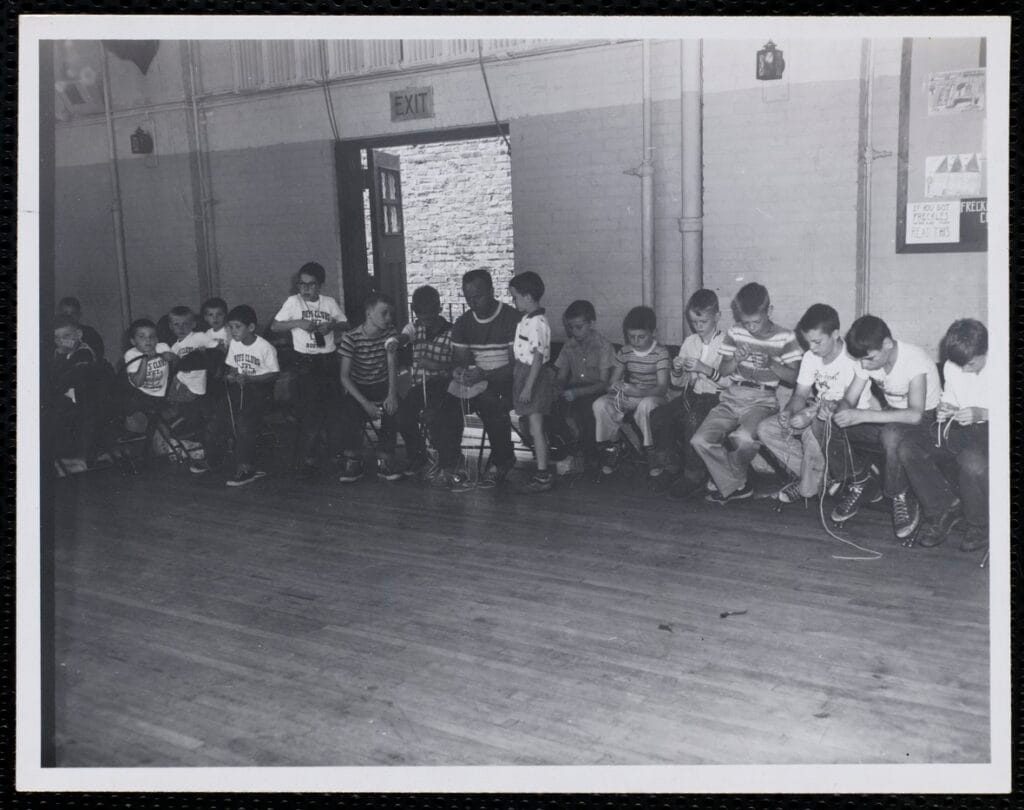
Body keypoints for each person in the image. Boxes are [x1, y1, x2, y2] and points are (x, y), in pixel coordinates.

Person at [827, 314, 941, 541]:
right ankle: (861, 482)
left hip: (926, 423)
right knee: (835, 425)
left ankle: (900, 495)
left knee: (891, 434)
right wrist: (840, 410)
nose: (864, 365)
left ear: (887, 344)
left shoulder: (915, 359)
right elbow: (849, 398)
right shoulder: (867, 359)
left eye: (869, 359)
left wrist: (862, 415)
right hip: (892, 419)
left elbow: (916, 414)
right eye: (861, 360)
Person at [690, 282, 801, 504]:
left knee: (743, 438)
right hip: (732, 396)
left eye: (756, 322)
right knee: (700, 440)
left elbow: (795, 378)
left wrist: (772, 364)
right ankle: (738, 483)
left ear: (769, 311)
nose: (750, 327)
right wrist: (735, 360)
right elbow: (723, 371)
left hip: (763, 399)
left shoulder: (785, 337)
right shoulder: (735, 332)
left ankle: (731, 483)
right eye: (745, 322)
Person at [757, 303, 871, 504]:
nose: (811, 348)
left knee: (811, 432)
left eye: (817, 342)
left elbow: (848, 404)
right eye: (808, 342)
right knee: (766, 428)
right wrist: (789, 411)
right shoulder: (811, 357)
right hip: (816, 410)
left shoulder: (852, 359)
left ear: (835, 334)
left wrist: (808, 415)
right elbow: (800, 395)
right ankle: (816, 479)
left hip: (846, 418)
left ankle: (807, 487)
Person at [897, 319, 989, 551]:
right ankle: (943, 509)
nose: (965, 370)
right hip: (961, 428)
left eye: (971, 364)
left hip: (995, 432)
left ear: (986, 350)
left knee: (972, 462)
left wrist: (984, 413)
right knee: (909, 446)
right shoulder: (953, 364)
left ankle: (980, 524)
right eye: (961, 365)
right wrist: (945, 407)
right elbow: (950, 396)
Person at [433, 268, 521, 489]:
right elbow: (461, 361)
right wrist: (460, 372)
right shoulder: (463, 323)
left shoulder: (511, 318)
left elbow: (516, 366)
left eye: (478, 296)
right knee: (445, 406)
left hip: (505, 380)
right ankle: (452, 465)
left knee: (491, 402)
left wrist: (486, 374)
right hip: (478, 380)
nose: (473, 302)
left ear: (492, 291)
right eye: (468, 297)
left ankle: (501, 462)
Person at [647, 289, 728, 497]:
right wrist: (677, 369)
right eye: (694, 322)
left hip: (717, 399)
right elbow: (678, 383)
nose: (698, 327)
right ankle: (671, 467)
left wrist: (706, 369)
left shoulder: (727, 343)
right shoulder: (689, 342)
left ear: (717, 317)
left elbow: (730, 382)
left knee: (692, 420)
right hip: (691, 396)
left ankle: (694, 475)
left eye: (703, 322)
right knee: (659, 415)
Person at [271, 262, 346, 477]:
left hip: (328, 360)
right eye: (301, 284)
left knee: (332, 408)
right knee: (309, 411)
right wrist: (298, 323)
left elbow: (345, 324)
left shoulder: (329, 302)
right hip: (305, 362)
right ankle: (308, 459)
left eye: (311, 285)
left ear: (320, 286)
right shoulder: (293, 302)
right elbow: (275, 327)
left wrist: (331, 325)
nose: (305, 289)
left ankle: (334, 453)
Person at [192, 305, 280, 487]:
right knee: (216, 420)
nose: (233, 331)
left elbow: (273, 374)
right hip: (238, 390)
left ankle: (246, 467)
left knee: (244, 425)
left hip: (260, 391)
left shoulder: (265, 347)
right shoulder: (234, 344)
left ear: (251, 328)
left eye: (237, 327)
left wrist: (249, 378)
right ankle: (213, 460)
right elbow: (233, 366)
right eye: (230, 327)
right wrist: (231, 375)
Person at [592, 306, 671, 475]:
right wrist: (616, 387)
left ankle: (652, 453)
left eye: (641, 337)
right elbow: (611, 383)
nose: (635, 341)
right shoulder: (625, 351)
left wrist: (638, 393)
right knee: (600, 404)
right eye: (631, 337)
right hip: (632, 395)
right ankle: (613, 446)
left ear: (653, 332)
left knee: (646, 405)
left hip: (654, 396)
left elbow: (662, 388)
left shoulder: (661, 353)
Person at [336, 292, 402, 483]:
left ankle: (385, 460)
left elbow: (392, 366)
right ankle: (353, 460)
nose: (389, 318)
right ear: (369, 313)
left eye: (391, 314)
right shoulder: (351, 338)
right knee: (348, 411)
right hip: (359, 387)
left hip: (382, 384)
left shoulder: (390, 333)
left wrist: (391, 395)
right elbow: (344, 377)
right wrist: (365, 404)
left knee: (393, 410)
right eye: (384, 313)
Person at [394, 285, 454, 479]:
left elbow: (458, 367)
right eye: (420, 315)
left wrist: (436, 365)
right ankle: (418, 455)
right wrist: (397, 340)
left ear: (439, 308)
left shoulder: (452, 333)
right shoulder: (414, 328)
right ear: (414, 312)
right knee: (402, 415)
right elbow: (405, 335)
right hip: (420, 387)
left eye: (429, 315)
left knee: (435, 416)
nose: (425, 320)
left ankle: (447, 461)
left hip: (444, 386)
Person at [550, 300, 615, 470]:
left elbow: (604, 383)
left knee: (588, 410)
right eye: (570, 327)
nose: (574, 332)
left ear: (591, 323)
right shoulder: (568, 346)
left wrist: (577, 393)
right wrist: (556, 387)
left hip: (595, 391)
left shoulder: (604, 346)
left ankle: (589, 455)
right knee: (551, 405)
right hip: (574, 388)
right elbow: (562, 376)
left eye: (579, 327)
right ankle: (566, 451)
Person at [508, 271, 557, 493]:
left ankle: (543, 473)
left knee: (536, 428)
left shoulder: (538, 322)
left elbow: (538, 356)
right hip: (523, 372)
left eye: (515, 297)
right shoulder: (527, 319)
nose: (514, 301)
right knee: (530, 426)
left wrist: (528, 386)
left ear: (528, 297)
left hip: (533, 377)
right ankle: (541, 467)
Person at [51, 315, 112, 467]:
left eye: (66, 336)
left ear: (79, 335)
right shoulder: (65, 353)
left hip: (89, 400)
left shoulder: (83, 352)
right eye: (56, 337)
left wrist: (59, 359)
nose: (60, 341)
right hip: (75, 398)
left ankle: (81, 457)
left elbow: (71, 377)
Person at [166, 305, 221, 431]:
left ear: (193, 324)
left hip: (193, 387)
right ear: (171, 326)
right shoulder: (174, 347)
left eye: (186, 324)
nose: (181, 328)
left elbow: (218, 350)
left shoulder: (199, 337)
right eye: (176, 324)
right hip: (180, 383)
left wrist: (206, 351)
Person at [122, 318, 175, 413]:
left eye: (152, 336)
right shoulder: (131, 354)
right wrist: (144, 361)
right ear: (133, 341)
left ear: (157, 339)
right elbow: (138, 382)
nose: (148, 340)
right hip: (140, 393)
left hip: (162, 392)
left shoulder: (163, 347)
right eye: (142, 336)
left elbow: (177, 361)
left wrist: (171, 356)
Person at [58, 296, 105, 360]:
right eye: (65, 313)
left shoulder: (90, 333)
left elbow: (98, 355)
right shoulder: (54, 333)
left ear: (79, 315)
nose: (69, 316)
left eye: (73, 313)